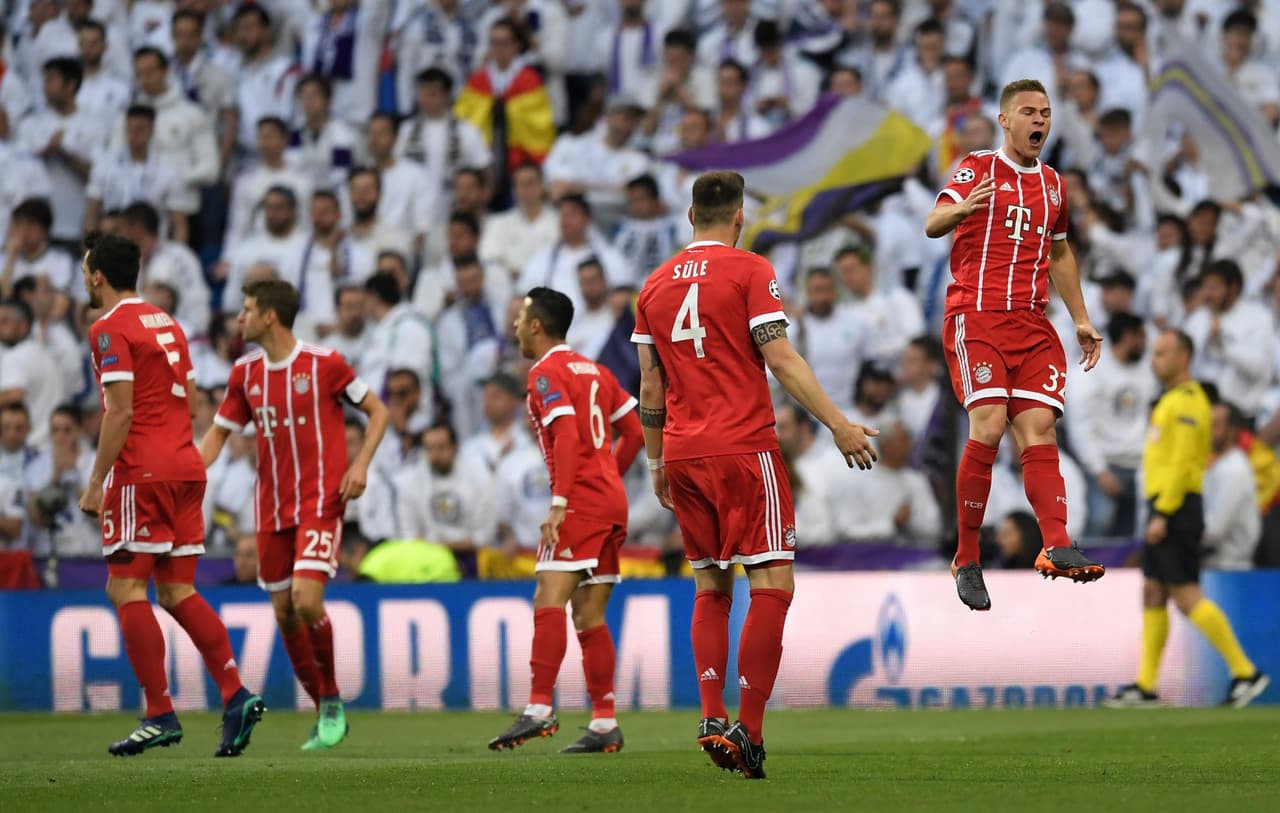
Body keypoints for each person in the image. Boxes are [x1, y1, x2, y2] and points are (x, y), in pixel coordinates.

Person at [632, 170, 877, 778]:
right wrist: (837, 423)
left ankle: (712, 714)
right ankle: (752, 731)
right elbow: (781, 358)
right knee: (772, 586)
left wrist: (656, 459)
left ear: (690, 217)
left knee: (710, 587)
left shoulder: (653, 286)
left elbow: (651, 382)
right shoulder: (750, 271)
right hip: (743, 447)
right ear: (739, 217)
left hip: (684, 454)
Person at [77, 232, 265, 757]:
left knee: (125, 589)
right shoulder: (169, 323)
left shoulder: (108, 328)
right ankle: (234, 692)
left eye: (85, 269)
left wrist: (97, 482)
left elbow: (121, 410)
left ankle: (159, 711)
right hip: (186, 465)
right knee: (177, 591)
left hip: (144, 472)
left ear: (97, 275)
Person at [924, 78, 1106, 612]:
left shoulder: (1053, 184)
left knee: (1039, 426)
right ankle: (967, 555)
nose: (1039, 121)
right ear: (1005, 120)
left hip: (1032, 324)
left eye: (1046, 113)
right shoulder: (976, 168)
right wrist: (961, 210)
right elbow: (934, 222)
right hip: (975, 317)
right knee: (989, 422)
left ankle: (1054, 543)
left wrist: (1080, 317)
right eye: (1028, 111)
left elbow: (1061, 253)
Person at [199, 279, 389, 750]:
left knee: (307, 601)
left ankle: (331, 703)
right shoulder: (244, 374)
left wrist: (360, 463)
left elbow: (378, 411)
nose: (238, 319)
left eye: (245, 310)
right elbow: (218, 437)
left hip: (321, 500)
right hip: (271, 507)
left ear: (269, 316)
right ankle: (323, 703)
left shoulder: (325, 365)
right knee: (284, 614)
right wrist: (182, 476)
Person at [487, 286, 644, 755]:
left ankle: (538, 707)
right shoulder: (595, 370)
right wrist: (606, 482)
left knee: (548, 597)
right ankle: (604, 722)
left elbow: (567, 433)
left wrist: (561, 501)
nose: (514, 325)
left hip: (578, 502)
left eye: (520, 318)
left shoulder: (544, 373)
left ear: (536, 325)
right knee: (589, 613)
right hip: (611, 503)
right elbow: (633, 432)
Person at [1107, 331, 1269, 708]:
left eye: (1163, 352)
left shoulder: (1188, 401)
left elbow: (1183, 463)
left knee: (1184, 594)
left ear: (1184, 357)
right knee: (1153, 591)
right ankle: (1145, 686)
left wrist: (1164, 511)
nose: (1155, 359)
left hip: (1176, 507)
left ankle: (1246, 672)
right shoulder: (1172, 400)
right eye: (1155, 352)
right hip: (1165, 504)